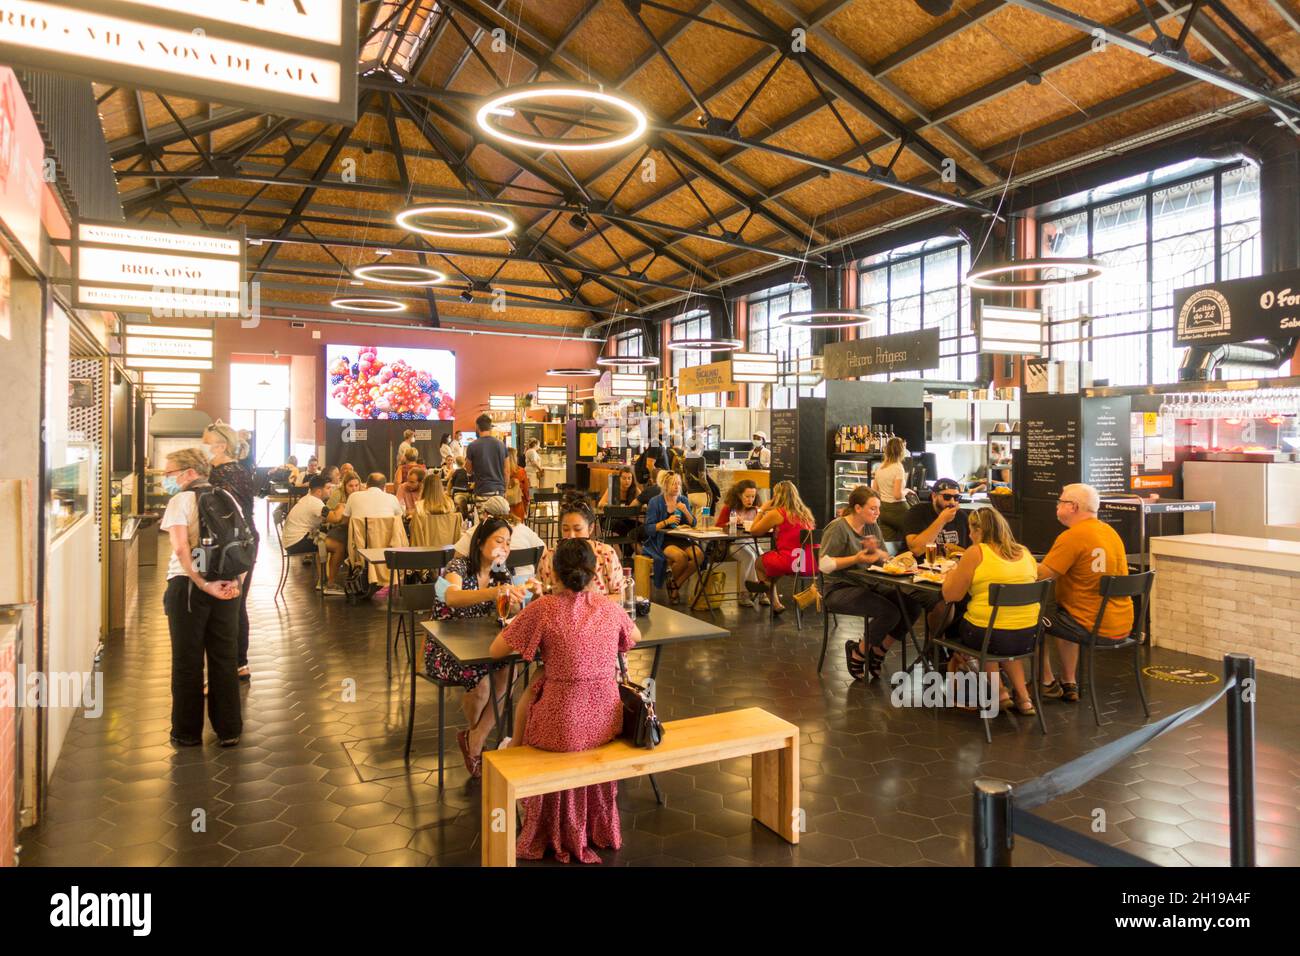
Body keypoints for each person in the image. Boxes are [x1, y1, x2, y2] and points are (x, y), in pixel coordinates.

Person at [488, 537, 636, 863]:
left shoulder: (543, 608)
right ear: (594, 571)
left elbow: (496, 650)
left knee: (537, 696)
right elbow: (635, 637)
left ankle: (539, 817)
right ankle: (592, 826)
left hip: (562, 722)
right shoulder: (609, 607)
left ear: (554, 573)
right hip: (606, 719)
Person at [426, 517, 539, 776]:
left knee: (506, 676)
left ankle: (474, 740)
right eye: (499, 541)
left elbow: (508, 611)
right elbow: (450, 597)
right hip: (445, 647)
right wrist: (493, 593)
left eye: (508, 543)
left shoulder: (501, 572)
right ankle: (476, 741)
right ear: (479, 543)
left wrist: (518, 598)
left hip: (480, 644)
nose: (504, 547)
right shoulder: (459, 566)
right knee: (483, 686)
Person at [159, 448, 242, 747]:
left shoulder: (180, 500)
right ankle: (229, 729)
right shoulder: (227, 497)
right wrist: (235, 582)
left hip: (188, 588)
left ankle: (186, 731)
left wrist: (202, 584)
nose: (167, 479)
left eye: (169, 473)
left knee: (187, 659)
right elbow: (243, 542)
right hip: (226, 586)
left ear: (189, 472)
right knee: (224, 657)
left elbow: (181, 549)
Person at [1036, 483, 1134, 704]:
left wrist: (1014, 563)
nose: (1057, 506)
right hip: (1121, 625)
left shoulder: (1073, 536)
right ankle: (1069, 682)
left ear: (1073, 506)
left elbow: (1042, 575)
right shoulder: (1109, 532)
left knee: (1032, 619)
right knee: (1062, 612)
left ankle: (1047, 683)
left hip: (1090, 626)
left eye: (1060, 502)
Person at [941, 507, 1041, 716]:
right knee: (999, 631)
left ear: (979, 530)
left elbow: (952, 596)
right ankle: (1023, 699)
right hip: (1027, 636)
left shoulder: (976, 552)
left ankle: (1000, 693)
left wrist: (950, 573)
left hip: (989, 636)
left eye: (971, 530)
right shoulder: (1024, 552)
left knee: (984, 631)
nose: (969, 535)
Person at [819, 487, 910, 680]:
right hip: (838, 587)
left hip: (867, 583)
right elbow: (824, 564)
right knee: (890, 612)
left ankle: (878, 652)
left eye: (879, 509)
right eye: (873, 509)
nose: (878, 513)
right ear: (858, 508)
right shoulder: (838, 527)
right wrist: (856, 557)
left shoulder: (872, 526)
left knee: (911, 604)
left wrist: (877, 553)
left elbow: (885, 558)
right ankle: (859, 652)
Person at [203, 422, 258, 682]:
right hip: (234, 541)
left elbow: (227, 515)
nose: (202, 447)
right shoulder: (230, 470)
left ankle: (234, 662)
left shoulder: (228, 474)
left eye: (206, 442)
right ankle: (235, 662)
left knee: (232, 602)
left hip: (234, 544)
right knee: (233, 602)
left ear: (221, 445)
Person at [748, 480, 816, 615]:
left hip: (792, 561)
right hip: (810, 562)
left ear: (777, 496)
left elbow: (754, 531)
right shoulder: (805, 513)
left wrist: (761, 510)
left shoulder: (778, 513)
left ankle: (768, 592)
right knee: (774, 563)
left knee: (759, 562)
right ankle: (768, 590)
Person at [642, 471, 704, 604]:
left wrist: (686, 511)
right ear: (665, 485)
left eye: (678, 484)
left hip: (682, 537)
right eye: (673, 484)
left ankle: (675, 584)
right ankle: (674, 590)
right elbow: (649, 528)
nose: (676, 486)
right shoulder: (655, 502)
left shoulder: (683, 500)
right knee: (680, 557)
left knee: (699, 555)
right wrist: (667, 521)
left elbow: (693, 523)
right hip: (663, 539)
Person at [454, 495, 546, 576]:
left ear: (486, 515)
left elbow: (457, 555)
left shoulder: (477, 530)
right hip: (527, 589)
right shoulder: (524, 529)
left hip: (492, 587)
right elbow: (544, 550)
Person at [282, 474, 346, 573]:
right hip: (296, 543)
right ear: (319, 491)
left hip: (292, 540)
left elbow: (326, 518)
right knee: (339, 547)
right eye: (328, 488)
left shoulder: (309, 498)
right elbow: (335, 518)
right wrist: (341, 505)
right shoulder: (314, 502)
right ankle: (330, 584)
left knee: (326, 536)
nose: (331, 490)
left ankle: (322, 581)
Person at [716, 479, 763, 607]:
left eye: (753, 496)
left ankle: (761, 590)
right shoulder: (729, 508)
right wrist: (731, 523)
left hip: (751, 541)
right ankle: (744, 592)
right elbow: (718, 525)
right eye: (747, 496)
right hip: (734, 543)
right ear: (739, 495)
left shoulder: (756, 509)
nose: (750, 500)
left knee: (762, 557)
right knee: (749, 557)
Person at [903, 477, 971, 558]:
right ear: (934, 496)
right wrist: (942, 520)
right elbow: (916, 550)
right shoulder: (917, 512)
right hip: (920, 566)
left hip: (952, 567)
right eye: (947, 497)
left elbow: (973, 551)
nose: (952, 502)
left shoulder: (962, 516)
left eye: (956, 497)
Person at [322, 475, 362, 593]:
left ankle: (360, 576)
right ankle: (331, 581)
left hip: (357, 528)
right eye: (350, 486)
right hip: (340, 527)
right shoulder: (338, 494)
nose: (354, 489)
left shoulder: (363, 495)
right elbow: (326, 511)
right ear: (344, 487)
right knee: (341, 544)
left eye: (356, 485)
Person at [873, 436, 910, 543]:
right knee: (914, 533)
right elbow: (897, 495)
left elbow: (874, 491)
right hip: (898, 510)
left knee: (888, 543)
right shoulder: (898, 468)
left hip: (883, 510)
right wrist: (907, 490)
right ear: (901, 451)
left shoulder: (880, 468)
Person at [465, 413, 509, 498]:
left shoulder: (472, 446)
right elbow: (506, 471)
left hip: (482, 491)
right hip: (499, 491)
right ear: (490, 427)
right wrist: (505, 490)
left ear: (477, 427)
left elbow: (469, 470)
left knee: (483, 511)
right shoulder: (501, 445)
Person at [505, 451, 530, 521]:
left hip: (504, 504)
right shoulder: (521, 471)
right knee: (518, 527)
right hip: (518, 503)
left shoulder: (501, 471)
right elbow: (526, 490)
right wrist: (527, 502)